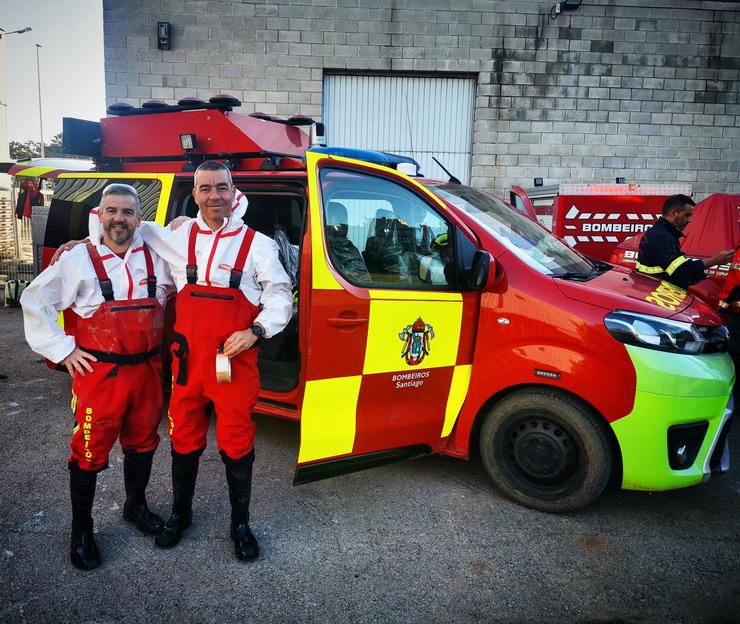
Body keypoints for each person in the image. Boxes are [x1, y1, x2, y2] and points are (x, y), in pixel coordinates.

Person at [139, 161, 292, 561]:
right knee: (183, 438)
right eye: (205, 189)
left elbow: (280, 294)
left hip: (234, 365)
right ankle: (180, 515)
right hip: (188, 364)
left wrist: (256, 330)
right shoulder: (179, 234)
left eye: (221, 187)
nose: (214, 196)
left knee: (237, 442)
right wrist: (81, 244)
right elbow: (122, 226)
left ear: (233, 191)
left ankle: (240, 525)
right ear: (195, 195)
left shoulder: (258, 244)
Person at [20, 184, 174, 570]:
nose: (118, 219)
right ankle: (82, 530)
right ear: (99, 215)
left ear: (140, 218)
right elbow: (35, 300)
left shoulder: (158, 254)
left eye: (126, 212)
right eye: (111, 211)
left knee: (143, 442)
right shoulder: (77, 260)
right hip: (99, 374)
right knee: (88, 452)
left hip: (147, 371)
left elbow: (198, 248)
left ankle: (135, 507)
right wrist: (64, 350)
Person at [636, 194, 733, 289]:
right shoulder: (663, 237)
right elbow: (680, 270)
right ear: (673, 213)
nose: (689, 220)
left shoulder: (659, 232)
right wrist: (713, 261)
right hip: (657, 291)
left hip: (652, 289)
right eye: (687, 215)